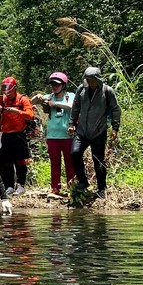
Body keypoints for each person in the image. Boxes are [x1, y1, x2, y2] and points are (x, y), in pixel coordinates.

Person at [69, 66, 121, 199]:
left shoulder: (107, 91)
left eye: (92, 80)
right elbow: (75, 107)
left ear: (98, 79)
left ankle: (102, 188)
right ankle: (83, 182)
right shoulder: (81, 89)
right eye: (88, 80)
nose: (90, 82)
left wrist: (115, 128)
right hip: (82, 130)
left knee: (98, 160)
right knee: (74, 153)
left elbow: (115, 109)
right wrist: (71, 123)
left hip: (99, 131)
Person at [0, 77, 35, 193]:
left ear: (15, 88)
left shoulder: (23, 99)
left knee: (20, 160)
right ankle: (9, 186)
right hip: (5, 135)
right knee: (6, 161)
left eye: (9, 89)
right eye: (5, 89)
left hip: (19, 134)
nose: (7, 92)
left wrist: (18, 112)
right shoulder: (2, 100)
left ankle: (21, 185)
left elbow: (30, 114)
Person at [36, 70, 77, 196]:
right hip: (52, 135)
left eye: (57, 84)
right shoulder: (49, 97)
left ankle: (72, 186)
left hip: (67, 135)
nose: (54, 87)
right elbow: (30, 103)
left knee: (70, 162)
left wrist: (56, 104)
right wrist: (37, 97)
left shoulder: (70, 96)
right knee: (55, 163)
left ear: (63, 85)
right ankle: (55, 187)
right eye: (52, 84)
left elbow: (72, 107)